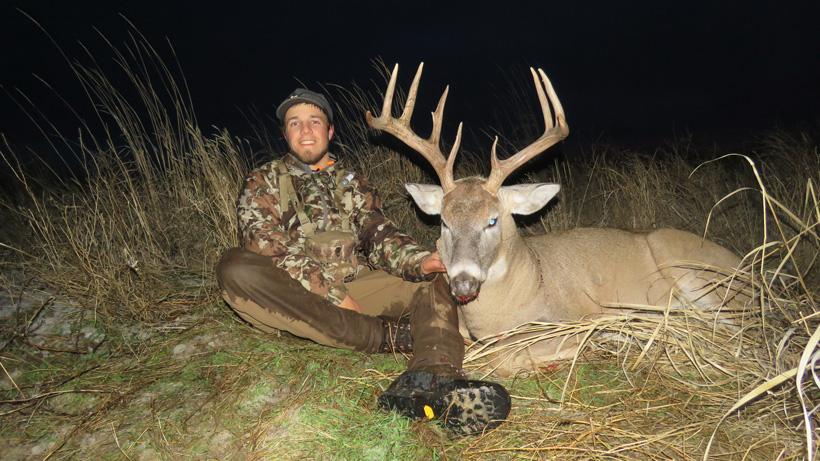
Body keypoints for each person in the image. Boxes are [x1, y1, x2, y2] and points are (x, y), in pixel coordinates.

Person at [215, 88, 510, 435]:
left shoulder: (351, 182)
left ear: (330, 132)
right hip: (294, 295)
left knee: (436, 283)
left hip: (358, 284)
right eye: (295, 123)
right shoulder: (262, 180)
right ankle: (387, 335)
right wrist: (334, 294)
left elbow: (379, 236)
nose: (305, 130)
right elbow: (264, 244)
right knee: (233, 267)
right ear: (285, 134)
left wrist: (421, 261)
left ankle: (435, 377)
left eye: (314, 121)